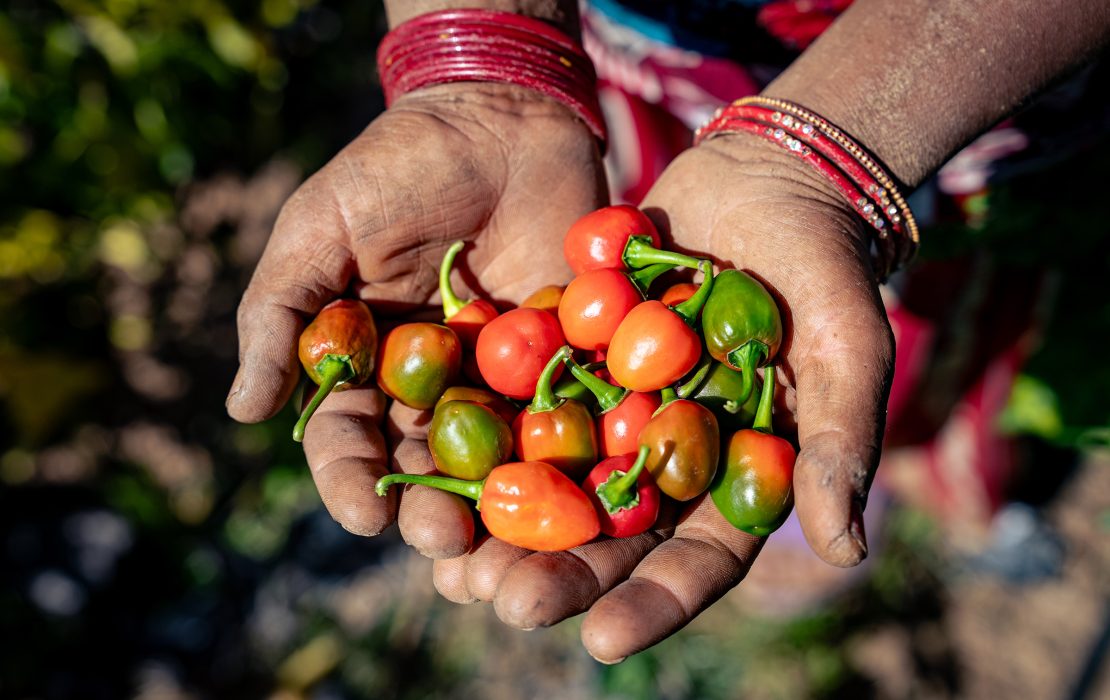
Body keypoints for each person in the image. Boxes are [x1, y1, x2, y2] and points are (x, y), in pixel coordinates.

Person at [226, 0, 1110, 664]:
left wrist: (826, 154)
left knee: (915, 332)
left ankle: (942, 471)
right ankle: (897, 460)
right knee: (799, 334)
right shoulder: (627, 294)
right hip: (665, 81)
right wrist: (485, 57)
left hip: (964, 83)